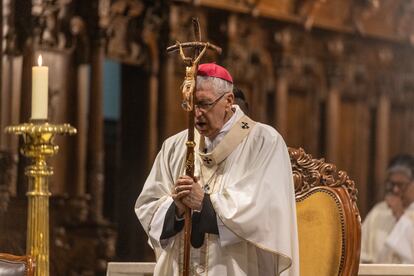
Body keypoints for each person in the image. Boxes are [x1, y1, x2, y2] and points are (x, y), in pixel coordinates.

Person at [135, 63, 299, 276]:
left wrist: (204, 203)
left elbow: (263, 209)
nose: (197, 113)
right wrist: (175, 208)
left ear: (228, 101)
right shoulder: (174, 146)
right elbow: (147, 205)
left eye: (204, 104)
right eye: (190, 104)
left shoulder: (264, 141)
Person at [361, 154, 414, 263]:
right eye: (391, 184)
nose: (395, 190)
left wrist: (400, 215)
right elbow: (360, 251)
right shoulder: (378, 211)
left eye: (401, 185)